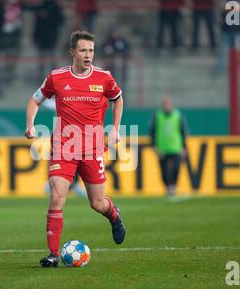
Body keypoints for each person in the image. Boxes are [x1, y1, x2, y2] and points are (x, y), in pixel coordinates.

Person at [24, 31, 126, 267]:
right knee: (57, 195)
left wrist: (115, 129)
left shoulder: (104, 78)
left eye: (91, 50)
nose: (88, 55)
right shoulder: (56, 77)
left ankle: (114, 215)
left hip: (92, 146)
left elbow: (118, 99)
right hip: (64, 146)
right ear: (72, 52)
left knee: (97, 203)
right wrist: (30, 125)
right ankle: (53, 254)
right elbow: (34, 100)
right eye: (83, 50)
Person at [150, 97, 188, 196]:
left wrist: (184, 147)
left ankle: (173, 186)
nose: (167, 106)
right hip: (162, 148)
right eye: (165, 104)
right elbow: (152, 132)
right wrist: (154, 146)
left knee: (176, 168)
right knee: (163, 170)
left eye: (168, 104)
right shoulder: (158, 116)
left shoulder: (177, 115)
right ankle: (168, 187)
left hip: (176, 147)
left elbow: (183, 132)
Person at [33, 0, 65, 82]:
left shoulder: (56, 7)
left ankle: (55, 78)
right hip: (42, 37)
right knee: (42, 58)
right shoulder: (40, 7)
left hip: (51, 36)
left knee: (52, 58)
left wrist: (48, 16)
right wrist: (35, 36)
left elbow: (60, 21)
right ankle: (42, 78)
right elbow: (36, 24)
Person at [216, 0, 240, 73]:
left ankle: (238, 68)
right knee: (224, 51)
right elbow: (221, 15)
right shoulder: (226, 4)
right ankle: (221, 68)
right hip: (228, 30)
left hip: (235, 31)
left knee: (236, 51)